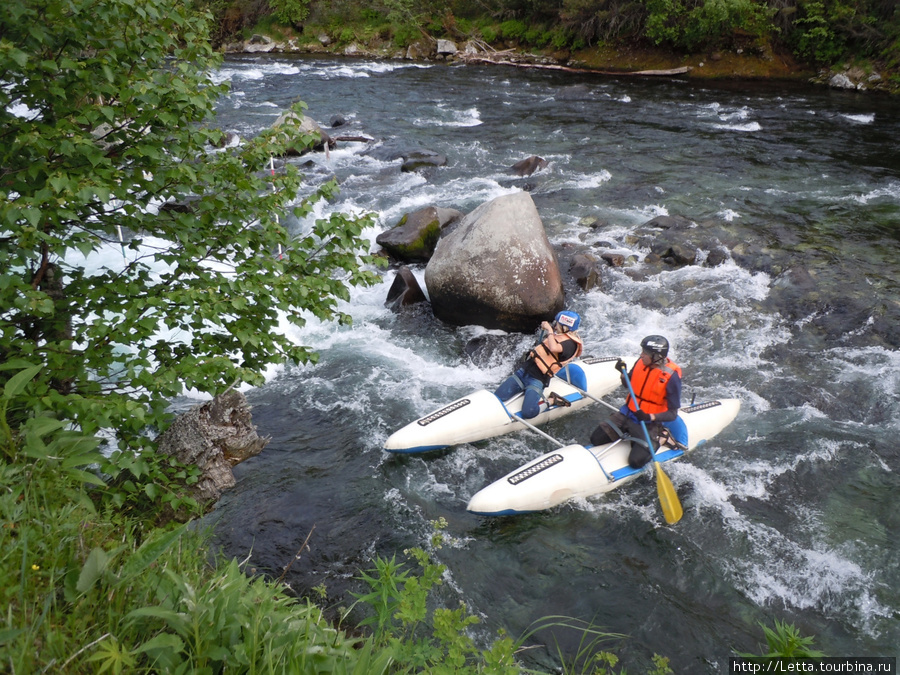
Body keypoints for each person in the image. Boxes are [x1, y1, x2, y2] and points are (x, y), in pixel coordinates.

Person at [590, 335, 682, 468]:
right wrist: (622, 373)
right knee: (596, 439)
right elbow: (628, 383)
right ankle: (628, 431)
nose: (641, 355)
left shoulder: (671, 376)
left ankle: (662, 437)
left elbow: (672, 414)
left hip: (649, 422)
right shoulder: (641, 362)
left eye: (645, 353)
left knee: (636, 462)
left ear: (656, 357)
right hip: (627, 413)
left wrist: (649, 416)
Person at [494, 311, 584, 419]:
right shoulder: (558, 336)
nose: (555, 325)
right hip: (523, 372)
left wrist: (550, 330)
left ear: (565, 327)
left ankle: (552, 401)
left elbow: (554, 348)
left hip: (537, 379)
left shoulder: (571, 345)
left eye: (557, 324)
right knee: (496, 398)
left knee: (528, 412)